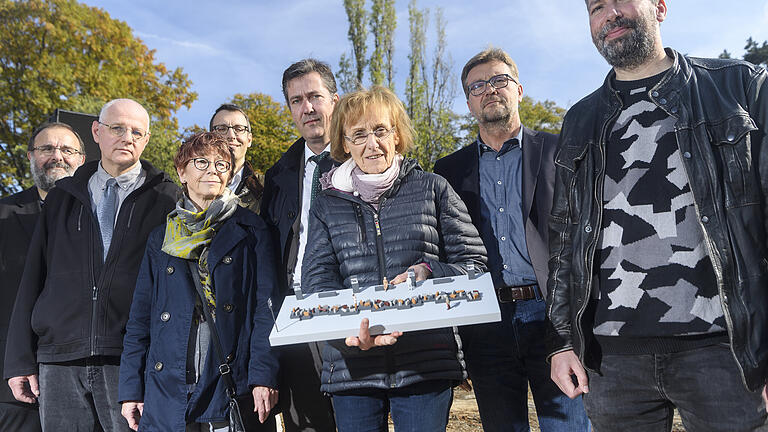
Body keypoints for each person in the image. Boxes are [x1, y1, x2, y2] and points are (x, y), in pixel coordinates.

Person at [547, 0, 768, 430]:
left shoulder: (740, 87)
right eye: (595, 7)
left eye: (619, 0)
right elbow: (564, 238)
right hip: (611, 362)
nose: (608, 14)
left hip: (725, 352)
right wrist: (560, 341)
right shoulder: (580, 119)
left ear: (660, 7)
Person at [302, 85, 487, 432]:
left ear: (397, 136)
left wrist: (429, 270)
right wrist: (350, 333)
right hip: (351, 367)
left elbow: (474, 265)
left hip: (425, 362)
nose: (371, 143)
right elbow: (317, 282)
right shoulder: (327, 204)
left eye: (380, 130)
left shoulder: (433, 188)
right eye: (358, 134)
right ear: (344, 145)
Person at [433, 48, 589, 431]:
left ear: (519, 89)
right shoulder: (449, 170)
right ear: (469, 102)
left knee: (568, 426)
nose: (490, 90)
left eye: (499, 80)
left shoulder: (560, 151)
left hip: (553, 316)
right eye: (477, 86)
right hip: (485, 320)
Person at [4, 99, 179, 431]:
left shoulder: (167, 200)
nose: (127, 137)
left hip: (129, 360)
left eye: (136, 131)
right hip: (58, 360)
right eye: (117, 128)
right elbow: (33, 279)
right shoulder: (62, 197)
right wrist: (18, 360)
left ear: (146, 140)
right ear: (97, 132)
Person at [118, 132, 280, 431]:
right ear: (182, 171)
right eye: (202, 162)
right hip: (167, 382)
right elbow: (140, 317)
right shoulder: (161, 237)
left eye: (222, 164)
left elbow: (265, 309)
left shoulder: (252, 229)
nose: (213, 171)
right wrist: (131, 390)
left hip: (229, 374)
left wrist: (263, 375)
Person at [260, 58, 339, 432]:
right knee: (304, 422)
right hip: (295, 313)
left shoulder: (366, 158)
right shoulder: (278, 174)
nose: (306, 108)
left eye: (314, 96)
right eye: (296, 100)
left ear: (334, 100)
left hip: (351, 309)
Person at [0, 122, 86, 431]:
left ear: (82, 159)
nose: (57, 156)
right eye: (46, 148)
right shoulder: (4, 215)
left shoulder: (102, 218)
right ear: (30, 156)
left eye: (67, 150)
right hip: (12, 388)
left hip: (84, 384)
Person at [209, 104, 264, 212]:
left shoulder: (265, 188)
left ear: (249, 139)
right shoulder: (194, 186)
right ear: (210, 138)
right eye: (221, 129)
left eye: (239, 129)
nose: (231, 135)